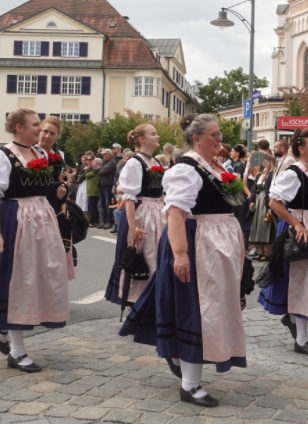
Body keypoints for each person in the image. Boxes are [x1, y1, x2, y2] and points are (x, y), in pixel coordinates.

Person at [119, 114, 247, 408]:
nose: (219, 139)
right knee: (198, 310)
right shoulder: (186, 169)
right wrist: (180, 255)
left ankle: (180, 359)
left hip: (215, 247)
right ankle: (189, 384)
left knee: (211, 308)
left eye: (220, 134)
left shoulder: (212, 166)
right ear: (197, 138)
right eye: (214, 134)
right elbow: (175, 214)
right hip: (198, 245)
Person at [0, 108, 73, 373]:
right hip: (15, 220)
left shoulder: (41, 153)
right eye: (35, 124)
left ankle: (4, 327)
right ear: (19, 127)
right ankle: (17, 352)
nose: (40, 129)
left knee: (38, 278)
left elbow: (40, 187)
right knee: (19, 282)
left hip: (42, 220)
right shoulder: (0, 155)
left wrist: (55, 190)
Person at [258, 127, 308, 357]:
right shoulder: (294, 172)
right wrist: (297, 224)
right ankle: (301, 339)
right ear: (301, 149)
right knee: (304, 281)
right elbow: (274, 203)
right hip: (303, 229)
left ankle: (293, 320)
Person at [106, 123, 168, 308]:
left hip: (157, 212)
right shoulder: (134, 162)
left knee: (157, 256)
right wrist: (132, 228)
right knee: (144, 256)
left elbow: (162, 192)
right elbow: (130, 197)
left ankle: (154, 301)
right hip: (142, 214)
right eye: (153, 134)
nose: (157, 136)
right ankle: (139, 302)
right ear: (142, 139)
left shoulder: (156, 161)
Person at [246, 154, 275, 260]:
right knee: (256, 226)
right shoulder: (259, 174)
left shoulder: (272, 175)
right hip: (257, 202)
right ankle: (261, 252)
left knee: (265, 226)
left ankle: (267, 253)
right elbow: (254, 190)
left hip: (265, 202)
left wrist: (270, 206)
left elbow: (272, 191)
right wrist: (251, 201)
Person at [91, 150, 118, 231]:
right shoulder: (103, 161)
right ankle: (103, 220)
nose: (103, 156)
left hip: (108, 185)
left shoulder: (112, 162)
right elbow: (94, 169)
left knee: (108, 203)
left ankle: (108, 221)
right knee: (102, 204)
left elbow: (102, 171)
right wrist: (100, 168)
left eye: (104, 155)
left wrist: (99, 168)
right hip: (102, 184)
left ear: (109, 155)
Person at [85, 159, 101, 228]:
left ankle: (93, 221)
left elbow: (87, 175)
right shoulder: (94, 170)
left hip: (93, 191)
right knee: (94, 207)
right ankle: (96, 221)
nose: (92, 163)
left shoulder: (96, 171)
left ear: (97, 163)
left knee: (92, 207)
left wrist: (88, 171)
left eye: (94, 162)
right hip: (92, 191)